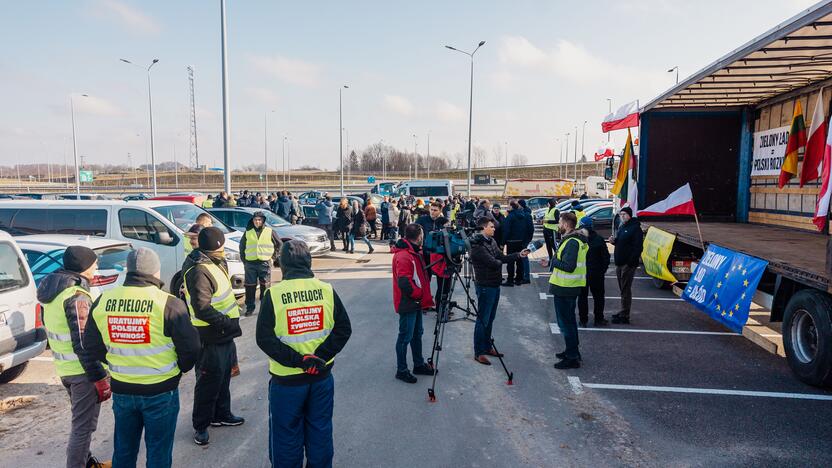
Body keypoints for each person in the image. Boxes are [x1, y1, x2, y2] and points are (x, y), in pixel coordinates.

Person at [84, 248, 201, 468]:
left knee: (124, 450)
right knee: (158, 450)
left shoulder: (104, 301)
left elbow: (91, 344)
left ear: (128, 270)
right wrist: (179, 369)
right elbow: (192, 347)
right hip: (160, 389)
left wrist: (116, 361)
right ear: (156, 271)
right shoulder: (168, 303)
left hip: (123, 389)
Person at [256, 240, 352, 468]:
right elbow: (343, 329)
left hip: (287, 382)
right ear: (309, 262)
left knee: (286, 435)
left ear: (283, 264)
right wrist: (317, 359)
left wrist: (299, 361)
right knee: (320, 430)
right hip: (321, 377)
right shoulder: (326, 290)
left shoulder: (274, 294)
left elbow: (264, 339)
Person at [37, 246, 111, 468]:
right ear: (83, 266)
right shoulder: (76, 296)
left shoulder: (53, 291)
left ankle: (87, 462)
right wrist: (99, 376)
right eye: (94, 263)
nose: (96, 267)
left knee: (83, 423)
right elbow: (83, 342)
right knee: (83, 428)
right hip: (82, 372)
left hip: (66, 369)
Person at [183, 227, 244, 446]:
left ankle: (221, 414)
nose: (223, 253)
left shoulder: (213, 262)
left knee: (223, 377)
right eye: (220, 249)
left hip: (223, 334)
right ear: (213, 248)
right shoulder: (200, 269)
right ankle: (201, 425)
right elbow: (201, 307)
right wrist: (226, 323)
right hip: (209, 336)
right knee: (208, 381)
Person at [469, 218, 527, 365]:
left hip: (494, 284)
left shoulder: (491, 242)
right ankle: (479, 352)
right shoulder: (477, 246)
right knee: (483, 320)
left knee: (490, 318)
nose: (494, 229)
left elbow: (501, 257)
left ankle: (487, 346)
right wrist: (500, 261)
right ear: (483, 228)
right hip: (485, 285)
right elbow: (493, 263)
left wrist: (518, 255)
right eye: (491, 227)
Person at [391, 224, 437, 383]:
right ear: (419, 237)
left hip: (415, 302)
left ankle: (418, 364)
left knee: (417, 334)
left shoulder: (412, 252)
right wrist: (419, 294)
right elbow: (404, 282)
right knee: (405, 337)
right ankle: (401, 370)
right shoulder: (404, 255)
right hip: (408, 302)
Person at [548, 212, 588, 369]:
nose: (558, 225)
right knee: (568, 322)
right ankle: (572, 351)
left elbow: (569, 266)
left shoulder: (572, 242)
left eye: (559, 222)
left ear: (565, 224)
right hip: (566, 287)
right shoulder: (572, 240)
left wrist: (554, 261)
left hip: (566, 288)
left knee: (566, 324)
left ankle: (572, 357)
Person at [239, 211, 283, 315]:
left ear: (263, 221)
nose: (257, 222)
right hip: (250, 264)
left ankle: (265, 308)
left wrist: (273, 257)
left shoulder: (269, 231)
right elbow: (242, 247)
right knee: (250, 287)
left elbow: (279, 244)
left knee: (265, 286)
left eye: (259, 220)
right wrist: (244, 260)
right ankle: (250, 308)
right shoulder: (248, 232)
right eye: (255, 220)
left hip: (264, 263)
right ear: (253, 220)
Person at [609, 206, 643, 324]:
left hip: (627, 265)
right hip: (619, 264)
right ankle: (623, 311)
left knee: (625, 289)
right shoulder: (623, 227)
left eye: (624, 214)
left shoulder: (635, 228)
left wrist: (630, 263)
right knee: (622, 289)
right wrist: (615, 241)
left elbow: (638, 247)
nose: (622, 216)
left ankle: (625, 315)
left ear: (629, 215)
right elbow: (622, 243)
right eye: (620, 215)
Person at [577, 217, 610, 327]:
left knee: (582, 297)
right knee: (599, 297)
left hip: (582, 274)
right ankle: (599, 319)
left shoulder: (578, 240)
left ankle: (583, 320)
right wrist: (602, 271)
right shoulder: (599, 239)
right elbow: (606, 257)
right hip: (597, 274)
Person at [415, 202, 448, 300]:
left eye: (435, 210)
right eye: (431, 209)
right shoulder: (422, 220)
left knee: (442, 281)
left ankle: (440, 304)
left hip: (440, 255)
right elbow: (414, 233)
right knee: (425, 279)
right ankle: (425, 301)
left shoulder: (444, 221)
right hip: (425, 254)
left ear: (440, 211)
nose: (432, 212)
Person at [501, 200, 531, 287]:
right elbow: (528, 229)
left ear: (511, 207)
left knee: (510, 261)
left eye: (508, 206)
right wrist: (525, 241)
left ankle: (510, 280)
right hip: (521, 242)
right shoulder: (524, 215)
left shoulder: (510, 216)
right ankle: (518, 279)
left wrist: (502, 242)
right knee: (520, 260)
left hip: (511, 242)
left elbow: (506, 231)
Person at [518, 199, 535, 284]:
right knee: (522, 257)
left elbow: (531, 229)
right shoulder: (523, 213)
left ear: (521, 205)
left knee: (524, 257)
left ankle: (526, 277)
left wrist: (527, 240)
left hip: (524, 240)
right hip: (522, 239)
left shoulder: (527, 215)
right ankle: (522, 276)